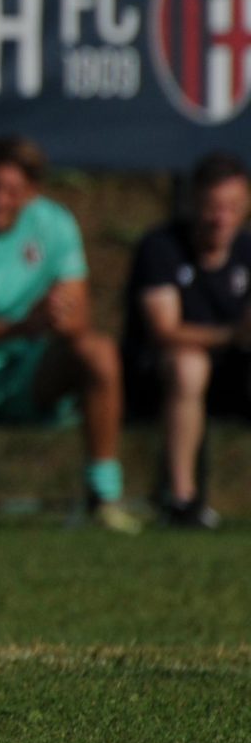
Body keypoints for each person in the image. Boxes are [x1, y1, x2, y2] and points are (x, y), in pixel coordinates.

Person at [0, 135, 139, 531]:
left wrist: (54, 316)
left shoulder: (56, 224)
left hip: (30, 371)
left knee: (99, 351)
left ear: (33, 192)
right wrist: (19, 327)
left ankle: (103, 494)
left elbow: (78, 318)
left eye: (12, 191)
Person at [122, 150, 251, 528]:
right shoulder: (161, 247)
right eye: (213, 207)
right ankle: (182, 500)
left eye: (232, 207)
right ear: (195, 202)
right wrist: (234, 334)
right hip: (156, 376)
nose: (221, 218)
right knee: (189, 365)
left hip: (234, 372)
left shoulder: (247, 250)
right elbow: (165, 330)